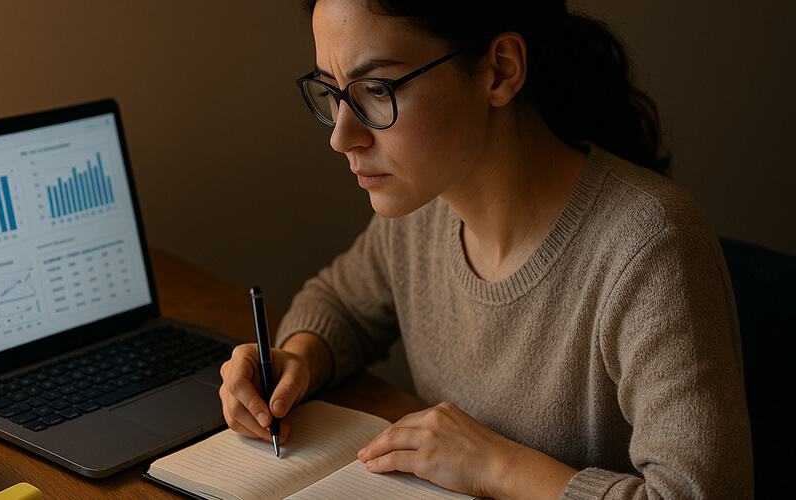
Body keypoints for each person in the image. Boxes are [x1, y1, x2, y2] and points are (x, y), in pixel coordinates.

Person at [218, 0, 754, 498]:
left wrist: (496, 465)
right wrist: (297, 360)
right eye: (332, 90)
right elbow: (340, 304)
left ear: (499, 70)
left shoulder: (651, 246)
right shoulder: (426, 207)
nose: (341, 137)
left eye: (376, 89)